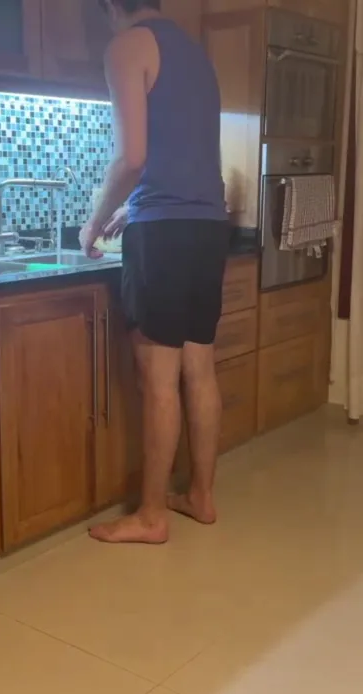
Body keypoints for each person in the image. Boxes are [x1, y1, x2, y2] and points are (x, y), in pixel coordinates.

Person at [82, 0, 229, 544]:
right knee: (200, 368)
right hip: (208, 227)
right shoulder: (194, 53)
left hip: (163, 236)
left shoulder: (126, 45)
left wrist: (93, 222)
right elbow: (180, 155)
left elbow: (132, 158)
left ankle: (150, 516)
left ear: (108, 6)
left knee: (159, 379)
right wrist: (134, 206)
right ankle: (201, 497)